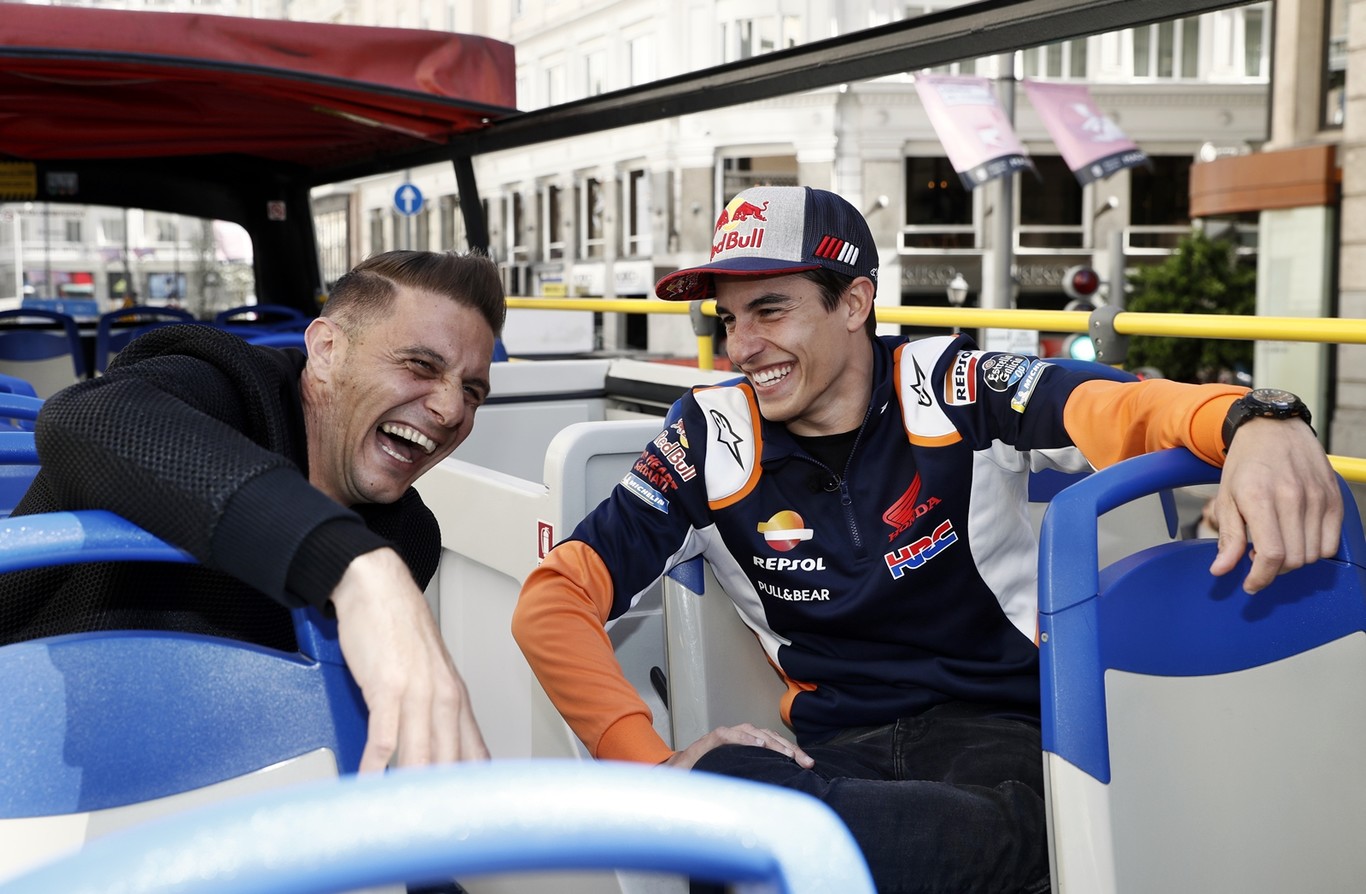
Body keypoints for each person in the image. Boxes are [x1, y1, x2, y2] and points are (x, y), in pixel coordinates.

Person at [511, 186, 1341, 893]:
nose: (741, 346)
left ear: (854, 303)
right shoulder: (706, 435)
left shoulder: (952, 385)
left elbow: (1118, 405)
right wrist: (655, 768)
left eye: (770, 309)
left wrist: (1254, 419)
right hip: (839, 761)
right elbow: (553, 601)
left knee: (793, 834)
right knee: (757, 803)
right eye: (727, 318)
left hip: (1004, 742)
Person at [0, 249, 503, 772]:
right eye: (420, 365)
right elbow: (89, 417)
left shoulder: (409, 536)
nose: (451, 410)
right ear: (326, 349)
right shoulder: (224, 388)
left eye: (472, 391)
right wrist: (346, 563)